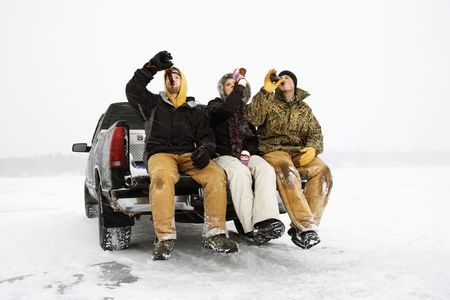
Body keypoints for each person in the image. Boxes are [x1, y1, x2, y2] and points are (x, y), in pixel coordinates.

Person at [125, 50, 238, 260]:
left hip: (188, 154)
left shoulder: (195, 110)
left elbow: (206, 136)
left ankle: (215, 233)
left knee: (216, 176)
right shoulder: (153, 105)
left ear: (182, 81)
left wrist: (206, 149)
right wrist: (150, 68)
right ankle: (164, 238)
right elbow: (133, 90)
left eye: (176, 77)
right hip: (161, 154)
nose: (172, 80)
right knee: (161, 179)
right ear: (164, 82)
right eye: (168, 77)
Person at [246, 69, 333, 249]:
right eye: (281, 77)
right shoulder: (268, 100)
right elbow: (251, 118)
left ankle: (301, 228)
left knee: (323, 172)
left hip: (299, 151)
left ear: (294, 83)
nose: (283, 79)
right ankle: (305, 226)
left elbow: (315, 132)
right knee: (287, 171)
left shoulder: (304, 109)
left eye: (287, 77)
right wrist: (265, 91)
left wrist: (313, 147)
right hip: (273, 149)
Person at [207, 69, 285, 245]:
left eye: (236, 85)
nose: (233, 87)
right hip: (223, 155)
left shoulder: (246, 112)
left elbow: (252, 138)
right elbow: (228, 109)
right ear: (222, 89)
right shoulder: (215, 105)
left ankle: (266, 221)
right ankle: (250, 228)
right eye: (229, 85)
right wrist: (240, 86)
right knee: (240, 173)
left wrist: (247, 151)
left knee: (265, 169)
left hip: (244, 155)